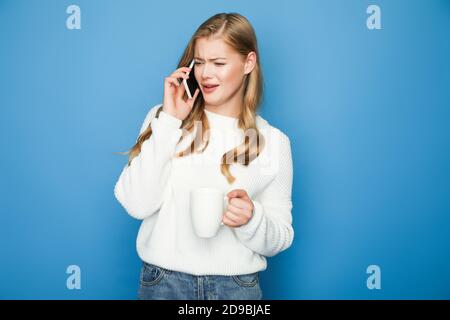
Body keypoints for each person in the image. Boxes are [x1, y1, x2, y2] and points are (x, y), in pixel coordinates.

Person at [114, 12, 294, 300]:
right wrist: (170, 121)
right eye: (199, 62)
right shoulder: (164, 120)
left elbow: (281, 237)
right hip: (162, 284)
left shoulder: (274, 142)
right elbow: (136, 204)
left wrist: (252, 219)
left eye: (219, 63)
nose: (206, 74)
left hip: (236, 289)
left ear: (248, 63)